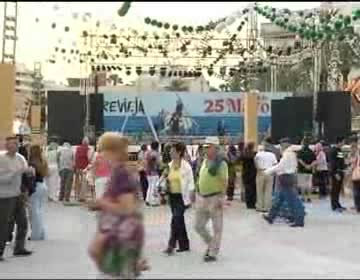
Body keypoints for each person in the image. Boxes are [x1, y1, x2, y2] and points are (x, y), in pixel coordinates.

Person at [88, 132, 147, 278]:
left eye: (102, 150)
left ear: (112, 152)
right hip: (119, 234)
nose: (100, 154)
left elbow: (126, 208)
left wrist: (102, 203)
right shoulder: (119, 173)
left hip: (122, 234)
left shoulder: (121, 175)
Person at [195, 136, 228, 262]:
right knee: (198, 226)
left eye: (208, 147)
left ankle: (213, 252)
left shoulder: (221, 163)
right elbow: (200, 176)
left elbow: (224, 181)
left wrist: (221, 199)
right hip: (202, 197)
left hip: (215, 197)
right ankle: (211, 244)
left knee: (217, 228)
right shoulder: (204, 160)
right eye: (205, 147)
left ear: (216, 148)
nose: (205, 149)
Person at [0, 136, 33, 261]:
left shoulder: (21, 158)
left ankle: (19, 248)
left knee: (23, 222)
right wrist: (14, 173)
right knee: (3, 225)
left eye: (14, 144)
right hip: (4, 196)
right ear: (6, 145)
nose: (12, 146)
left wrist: (30, 171)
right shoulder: (1, 159)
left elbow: (25, 171)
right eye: (9, 144)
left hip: (18, 194)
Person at [263, 138, 305, 227]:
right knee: (279, 199)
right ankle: (271, 216)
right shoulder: (291, 153)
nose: (281, 146)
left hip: (286, 177)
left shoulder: (288, 154)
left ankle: (299, 220)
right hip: (287, 177)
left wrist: (268, 171)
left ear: (286, 144)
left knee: (293, 200)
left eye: (282, 144)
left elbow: (280, 166)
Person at [162, 143, 195, 255]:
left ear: (179, 152)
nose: (170, 153)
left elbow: (191, 181)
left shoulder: (186, 166)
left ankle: (171, 245)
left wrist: (192, 195)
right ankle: (184, 244)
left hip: (182, 197)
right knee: (179, 220)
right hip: (172, 196)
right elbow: (165, 178)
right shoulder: (169, 165)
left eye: (172, 151)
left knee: (175, 219)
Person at [29, 145, 49, 240]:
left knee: (34, 212)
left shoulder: (32, 163)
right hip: (43, 186)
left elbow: (30, 177)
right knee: (39, 211)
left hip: (35, 187)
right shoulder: (43, 161)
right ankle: (41, 233)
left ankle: (35, 234)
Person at [254, 145, 278, 212]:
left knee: (259, 190)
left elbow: (255, 162)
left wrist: (258, 168)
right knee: (268, 190)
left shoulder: (258, 154)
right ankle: (267, 207)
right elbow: (275, 164)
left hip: (261, 172)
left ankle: (259, 206)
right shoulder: (272, 155)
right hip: (269, 172)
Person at [329, 136, 347, 212]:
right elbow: (333, 164)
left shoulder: (339, 150)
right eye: (343, 142)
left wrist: (345, 166)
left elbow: (340, 161)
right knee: (335, 189)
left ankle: (337, 204)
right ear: (339, 142)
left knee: (338, 189)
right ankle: (334, 206)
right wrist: (335, 173)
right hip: (336, 173)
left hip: (340, 172)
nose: (344, 143)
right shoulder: (334, 150)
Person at [297, 137, 316, 203]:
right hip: (309, 171)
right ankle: (309, 197)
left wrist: (305, 165)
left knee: (302, 184)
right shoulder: (311, 152)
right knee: (309, 184)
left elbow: (299, 160)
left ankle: (302, 197)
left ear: (302, 143)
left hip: (302, 170)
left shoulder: (300, 151)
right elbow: (314, 161)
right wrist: (310, 166)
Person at [240, 142, 257, 209]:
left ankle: (248, 204)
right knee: (253, 189)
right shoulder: (255, 154)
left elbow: (236, 160)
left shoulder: (243, 154)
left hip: (245, 173)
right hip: (253, 173)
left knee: (247, 189)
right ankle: (253, 203)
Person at [145, 141, 161, 206]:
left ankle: (147, 199)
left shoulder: (147, 152)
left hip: (148, 172)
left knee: (150, 186)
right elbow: (158, 163)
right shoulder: (156, 153)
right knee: (154, 187)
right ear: (157, 146)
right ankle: (153, 201)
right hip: (154, 172)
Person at [74, 137, 91, 202]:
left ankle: (76, 196)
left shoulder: (78, 148)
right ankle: (82, 197)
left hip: (78, 167)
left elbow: (76, 157)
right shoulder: (88, 149)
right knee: (84, 182)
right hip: (85, 168)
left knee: (77, 182)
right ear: (87, 143)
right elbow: (89, 158)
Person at [351, 143, 360, 213]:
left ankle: (358, 207)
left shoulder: (356, 156)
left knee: (356, 191)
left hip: (357, 176)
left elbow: (353, 166)